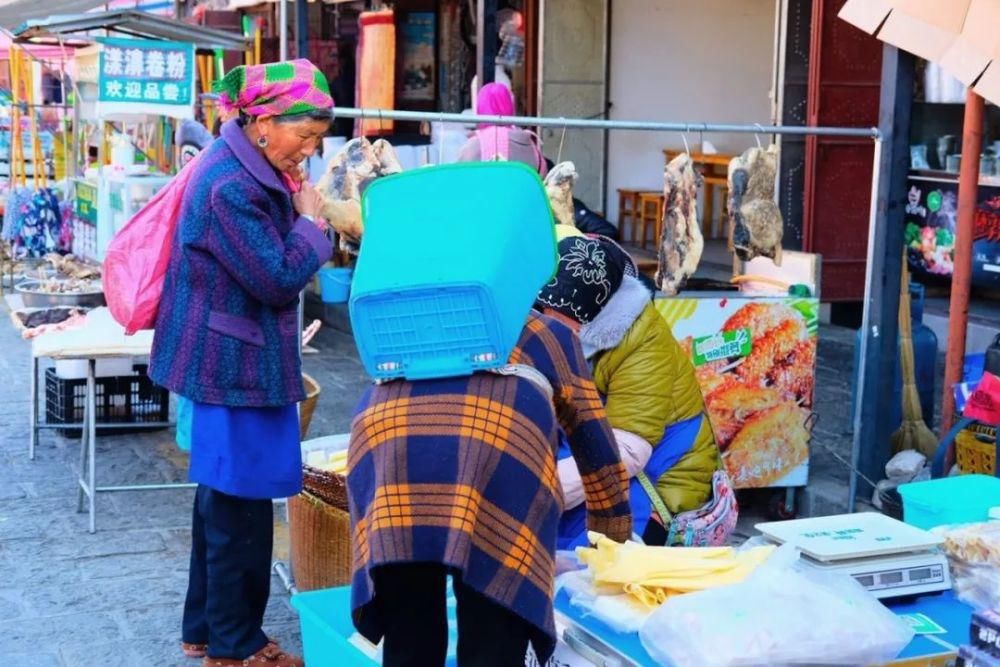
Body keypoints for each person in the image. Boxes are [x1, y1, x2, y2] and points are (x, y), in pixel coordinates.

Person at [148, 59, 334, 667]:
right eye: (301, 136)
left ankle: (205, 627)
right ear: (261, 124)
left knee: (221, 499)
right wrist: (310, 224)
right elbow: (277, 278)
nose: (308, 150)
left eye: (315, 139)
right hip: (232, 364)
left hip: (228, 354)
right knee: (240, 507)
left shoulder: (240, 167)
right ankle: (237, 646)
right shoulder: (232, 185)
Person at [347, 312, 632, 666]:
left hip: (389, 454)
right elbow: (595, 444)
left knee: (409, 631)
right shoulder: (543, 330)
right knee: (494, 628)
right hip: (497, 463)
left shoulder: (408, 317)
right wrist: (611, 540)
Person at [536, 234, 726, 548]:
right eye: (545, 308)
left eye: (563, 317)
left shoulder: (643, 342)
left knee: (600, 559)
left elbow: (626, 450)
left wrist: (541, 491)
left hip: (659, 472)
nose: (549, 319)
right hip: (591, 447)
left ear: (595, 313)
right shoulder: (544, 316)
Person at [457, 82, 547, 175]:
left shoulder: (471, 147)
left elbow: (457, 180)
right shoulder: (529, 146)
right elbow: (542, 180)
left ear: (480, 108)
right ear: (510, 106)